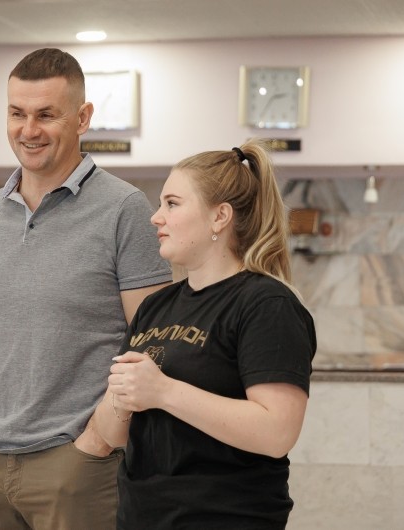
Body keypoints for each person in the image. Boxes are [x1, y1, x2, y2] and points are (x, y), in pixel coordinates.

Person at [0, 47, 173, 529]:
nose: (29, 130)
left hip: (75, 464)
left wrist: (97, 441)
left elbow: (153, 343)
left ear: (82, 117)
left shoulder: (124, 209)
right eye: (17, 114)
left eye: (46, 115)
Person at [88, 140, 317, 529]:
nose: (156, 218)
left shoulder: (267, 304)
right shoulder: (155, 307)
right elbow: (113, 434)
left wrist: (163, 391)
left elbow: (277, 432)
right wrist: (124, 398)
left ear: (219, 216)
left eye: (172, 204)